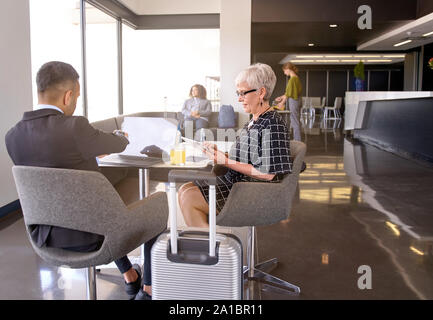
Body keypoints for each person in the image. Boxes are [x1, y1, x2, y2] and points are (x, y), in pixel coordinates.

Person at [5, 61, 153, 300]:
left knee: (100, 213)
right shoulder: (75, 127)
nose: (75, 104)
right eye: (76, 98)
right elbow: (117, 144)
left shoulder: (13, 136)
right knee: (153, 209)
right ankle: (147, 292)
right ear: (68, 96)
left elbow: (54, 162)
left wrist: (88, 151)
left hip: (45, 239)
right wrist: (120, 137)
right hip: (95, 236)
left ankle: (129, 276)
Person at [177, 63, 293, 227]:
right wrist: (220, 156)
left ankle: (211, 249)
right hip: (237, 184)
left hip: (250, 192)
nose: (239, 98)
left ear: (261, 92)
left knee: (189, 197)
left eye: (243, 93)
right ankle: (207, 245)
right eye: (238, 93)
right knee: (184, 189)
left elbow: (267, 173)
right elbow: (247, 159)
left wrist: (225, 161)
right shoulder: (254, 121)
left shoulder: (272, 124)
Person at [274, 62, 302, 142]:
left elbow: (289, 94)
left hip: (294, 101)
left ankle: (297, 140)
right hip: (296, 100)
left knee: (294, 120)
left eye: (284, 70)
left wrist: (282, 103)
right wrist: (281, 97)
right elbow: (288, 93)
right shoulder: (296, 78)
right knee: (295, 119)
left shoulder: (292, 79)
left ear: (288, 69)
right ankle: (297, 139)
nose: (284, 72)